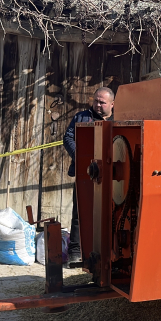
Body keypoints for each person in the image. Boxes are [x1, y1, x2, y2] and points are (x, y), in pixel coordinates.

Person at [63, 87, 115, 264]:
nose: (98, 105)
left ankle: (107, 251)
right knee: (80, 212)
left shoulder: (119, 118)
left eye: (102, 102)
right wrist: (79, 155)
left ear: (112, 104)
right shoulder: (81, 117)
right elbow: (68, 138)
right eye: (96, 101)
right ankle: (75, 252)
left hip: (111, 176)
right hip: (85, 172)